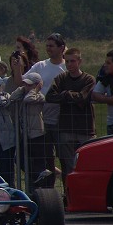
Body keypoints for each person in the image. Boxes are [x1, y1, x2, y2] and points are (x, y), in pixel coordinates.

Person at [45, 48, 96, 187]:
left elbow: (82, 98)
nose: (69, 64)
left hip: (85, 129)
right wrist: (70, 96)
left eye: (72, 61)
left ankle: (86, 192)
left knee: (87, 165)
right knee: (67, 167)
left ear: (80, 61)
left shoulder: (88, 79)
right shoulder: (61, 78)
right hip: (65, 128)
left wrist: (65, 94)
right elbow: (50, 96)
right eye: (67, 61)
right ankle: (69, 194)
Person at [26, 33, 67, 174]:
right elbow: (22, 82)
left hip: (62, 117)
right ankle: (49, 183)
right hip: (43, 117)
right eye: (47, 46)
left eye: (51, 46)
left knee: (64, 155)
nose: (48, 48)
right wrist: (17, 68)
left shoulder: (67, 66)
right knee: (47, 155)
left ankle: (66, 183)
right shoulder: (40, 66)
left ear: (61, 48)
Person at [6, 72, 47, 186]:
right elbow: (12, 97)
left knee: (38, 161)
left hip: (37, 134)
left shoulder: (39, 96)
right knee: (19, 159)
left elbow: (28, 99)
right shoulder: (23, 94)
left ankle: (40, 181)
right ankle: (36, 176)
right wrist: (22, 88)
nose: (26, 87)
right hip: (24, 134)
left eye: (29, 85)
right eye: (25, 84)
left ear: (37, 85)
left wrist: (36, 90)